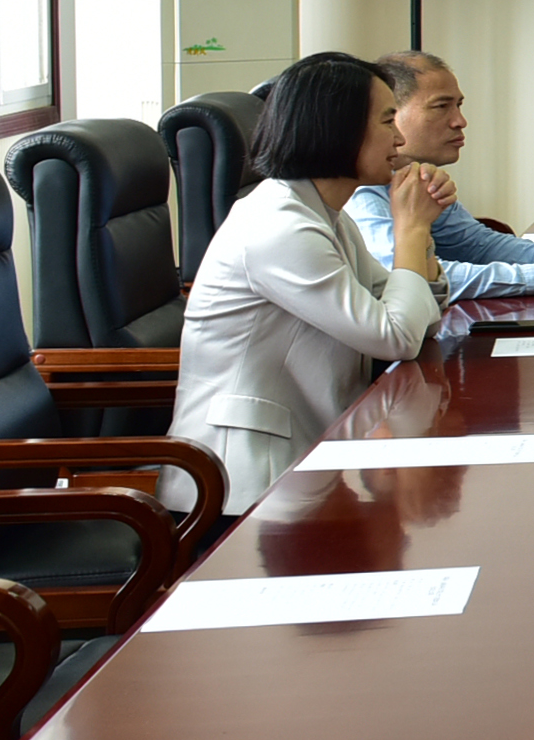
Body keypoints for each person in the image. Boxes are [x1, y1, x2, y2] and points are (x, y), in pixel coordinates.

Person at [165, 53, 446, 516]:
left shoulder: (325, 215)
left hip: (308, 460)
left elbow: (419, 320)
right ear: (337, 129)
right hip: (242, 486)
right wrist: (411, 229)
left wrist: (420, 231)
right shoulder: (280, 227)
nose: (400, 138)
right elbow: (395, 336)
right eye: (386, 121)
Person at [346, 52, 534, 302]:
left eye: (459, 106)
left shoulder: (416, 178)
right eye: (441, 107)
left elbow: (479, 246)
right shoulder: (360, 192)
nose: (460, 121)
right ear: (391, 112)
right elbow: (408, 281)